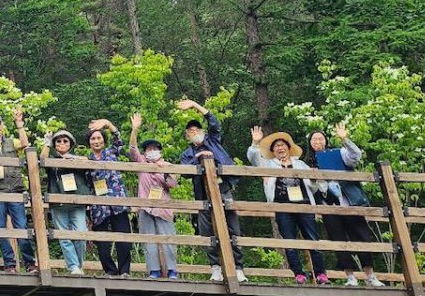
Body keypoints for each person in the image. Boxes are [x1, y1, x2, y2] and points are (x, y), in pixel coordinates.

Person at [177, 98, 247, 283]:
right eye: (191, 131)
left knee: (233, 228)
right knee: (207, 232)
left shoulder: (213, 141)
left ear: (202, 131)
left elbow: (213, 121)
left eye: (197, 130)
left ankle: (238, 268)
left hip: (223, 189)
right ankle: (215, 267)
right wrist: (198, 158)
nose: (194, 133)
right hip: (202, 195)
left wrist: (194, 105)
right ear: (187, 136)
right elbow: (184, 172)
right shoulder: (187, 153)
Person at [247, 126, 328, 284]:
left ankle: (321, 274)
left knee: (313, 239)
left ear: (289, 148)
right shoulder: (269, 165)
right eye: (276, 146)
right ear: (273, 151)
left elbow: (314, 186)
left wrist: (313, 178)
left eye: (283, 145)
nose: (280, 148)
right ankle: (299, 273)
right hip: (282, 208)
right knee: (289, 242)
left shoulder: (301, 165)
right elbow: (254, 156)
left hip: (304, 205)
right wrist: (255, 142)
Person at [307, 123, 384, 287]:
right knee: (338, 240)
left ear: (326, 141)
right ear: (310, 143)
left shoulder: (339, 153)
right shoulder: (308, 163)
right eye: (314, 139)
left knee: (361, 236)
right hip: (328, 206)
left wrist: (344, 139)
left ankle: (370, 275)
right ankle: (350, 276)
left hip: (349, 202)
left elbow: (356, 155)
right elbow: (311, 187)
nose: (318, 142)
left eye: (321, 138)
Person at [0, 107, 36, 272]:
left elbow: (25, 144)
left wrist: (19, 124)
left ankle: (30, 263)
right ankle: (9, 264)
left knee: (22, 228)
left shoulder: (11, 142)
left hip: (15, 190)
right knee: (1, 229)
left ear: (2, 126)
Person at [127, 113, 179, 280]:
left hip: (163, 208)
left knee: (168, 240)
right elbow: (132, 149)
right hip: (145, 207)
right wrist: (134, 129)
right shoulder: (142, 163)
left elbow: (172, 184)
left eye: (154, 149)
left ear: (159, 151)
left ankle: (172, 270)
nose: (151, 151)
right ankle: (153, 271)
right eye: (149, 149)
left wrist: (163, 169)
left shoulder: (167, 164)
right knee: (149, 241)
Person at [86, 118, 131, 277]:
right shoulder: (87, 160)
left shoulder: (112, 152)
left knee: (123, 238)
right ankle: (110, 271)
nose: (96, 141)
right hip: (99, 207)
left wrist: (107, 123)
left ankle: (124, 271)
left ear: (104, 141)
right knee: (102, 242)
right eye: (93, 139)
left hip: (117, 200)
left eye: (99, 138)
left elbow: (119, 140)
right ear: (89, 143)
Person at [42, 130, 90, 275]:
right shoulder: (52, 160)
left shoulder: (76, 158)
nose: (62, 143)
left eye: (65, 141)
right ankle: (73, 266)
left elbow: (88, 161)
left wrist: (71, 158)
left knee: (81, 234)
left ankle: (78, 265)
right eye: (58, 141)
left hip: (77, 202)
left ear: (71, 144)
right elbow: (42, 159)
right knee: (64, 237)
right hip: (59, 203)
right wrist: (47, 143)